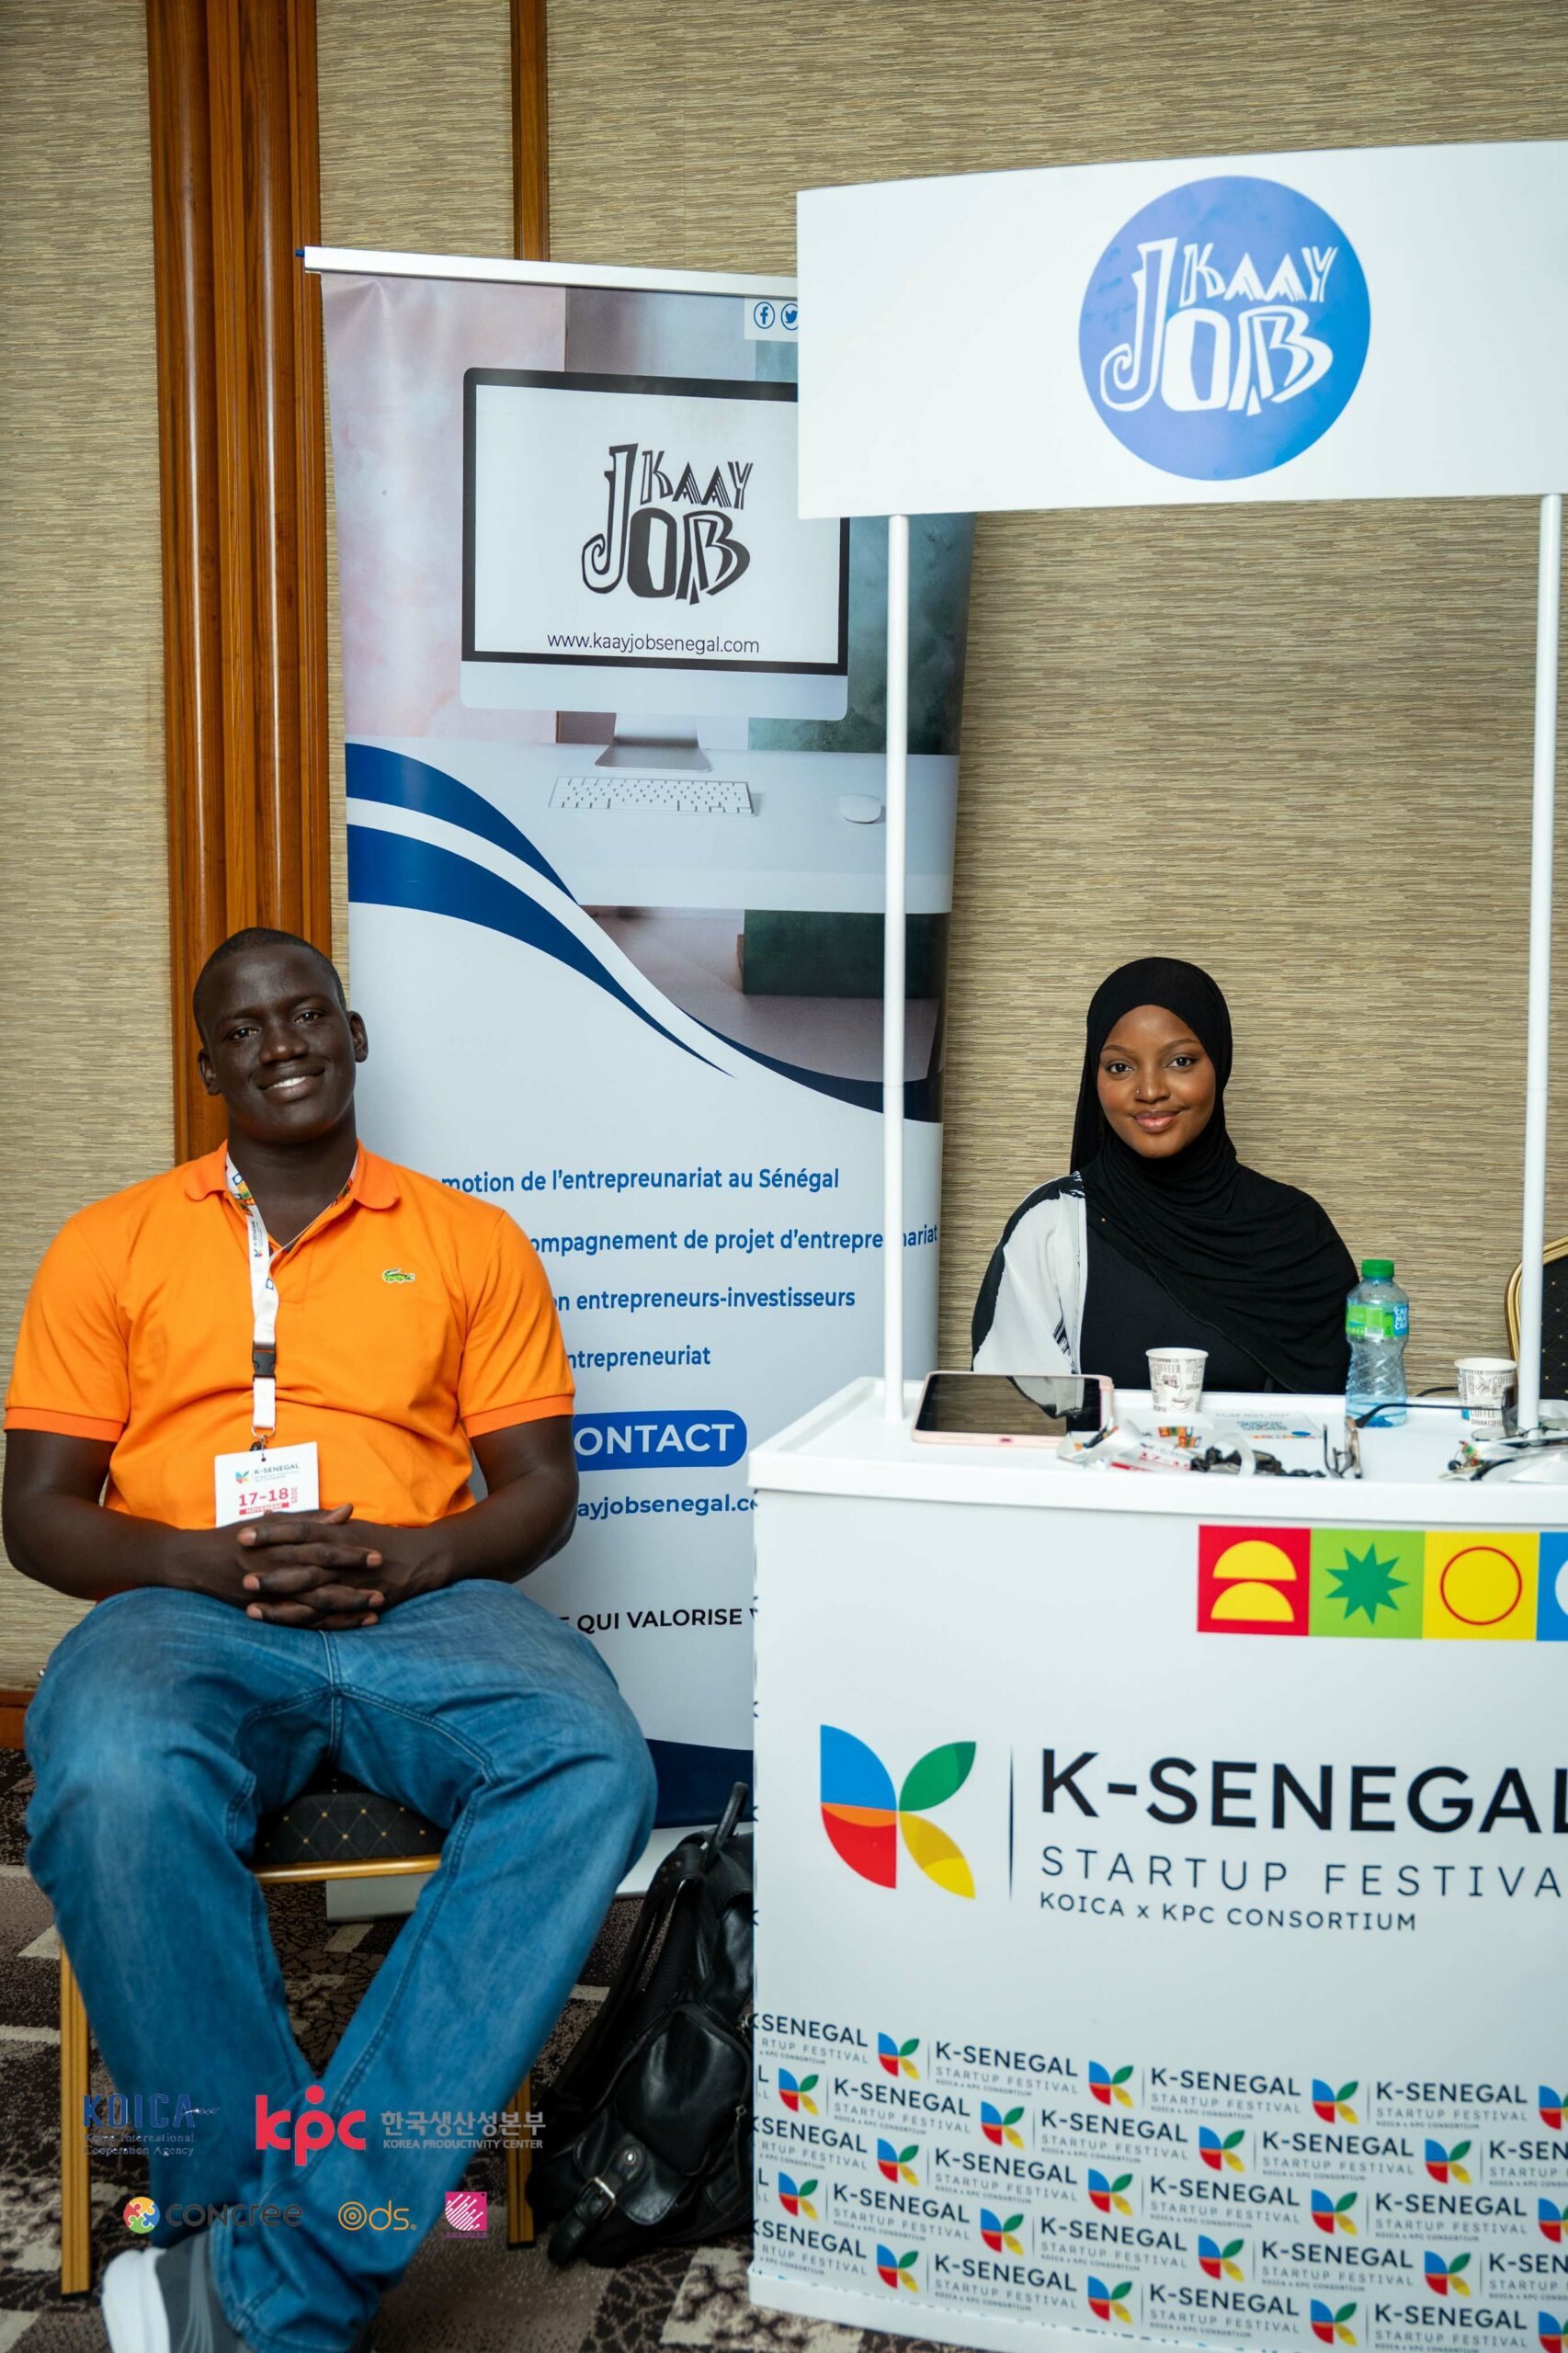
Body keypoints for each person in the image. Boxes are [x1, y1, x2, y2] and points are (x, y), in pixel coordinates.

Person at [3, 927, 655, 2353]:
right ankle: (261, 2242)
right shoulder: (107, 1245)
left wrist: (423, 1552)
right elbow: (35, 1514)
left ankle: (269, 2277)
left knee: (591, 1761)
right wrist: (193, 1558)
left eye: (306, 1013)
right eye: (244, 1029)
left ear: (353, 1037)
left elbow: (540, 1488)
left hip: (423, 1601)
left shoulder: (468, 1240)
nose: (282, 1042)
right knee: (108, 1772)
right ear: (208, 1068)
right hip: (184, 1609)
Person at [971, 956, 1357, 1394]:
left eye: (1180, 1061)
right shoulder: (1052, 1226)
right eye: (1120, 1067)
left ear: (1219, 1064)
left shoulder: (1296, 1231)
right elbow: (1012, 1411)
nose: (1150, 1090)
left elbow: (1347, 1413)